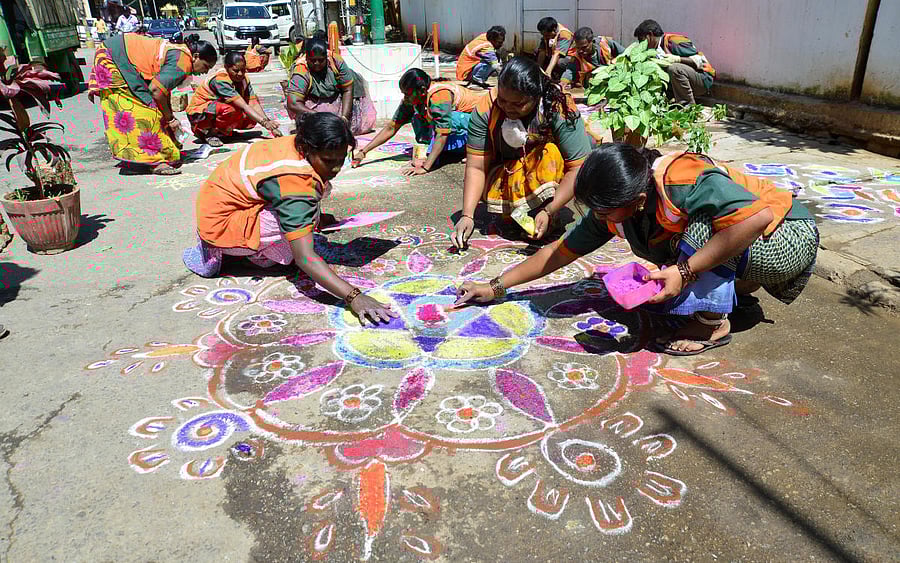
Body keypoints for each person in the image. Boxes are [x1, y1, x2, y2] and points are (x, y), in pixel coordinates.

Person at [455, 144, 819, 356]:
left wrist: (685, 272)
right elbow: (558, 252)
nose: (599, 217)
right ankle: (731, 297)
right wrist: (496, 286)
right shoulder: (616, 207)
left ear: (638, 197)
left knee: (698, 228)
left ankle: (712, 323)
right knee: (670, 249)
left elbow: (755, 220)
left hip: (786, 239)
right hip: (753, 245)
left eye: (603, 210)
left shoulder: (679, 177)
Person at [183, 112, 397, 325]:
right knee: (302, 230)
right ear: (306, 149)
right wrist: (355, 297)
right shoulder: (295, 182)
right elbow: (305, 258)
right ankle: (245, 255)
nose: (335, 169)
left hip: (218, 211)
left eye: (341, 160)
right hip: (221, 227)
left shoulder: (295, 143)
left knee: (312, 202)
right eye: (328, 160)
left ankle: (254, 249)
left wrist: (312, 216)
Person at [451, 56, 591, 247]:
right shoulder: (486, 109)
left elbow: (578, 168)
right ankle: (520, 210)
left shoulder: (559, 107)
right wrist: (467, 215)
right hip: (505, 172)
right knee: (515, 222)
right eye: (503, 100)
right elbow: (476, 167)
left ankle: (545, 211)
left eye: (518, 104)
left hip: (547, 170)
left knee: (549, 153)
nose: (508, 108)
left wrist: (549, 210)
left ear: (536, 97)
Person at [87, 32, 216, 174]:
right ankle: (155, 161)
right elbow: (156, 91)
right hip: (114, 58)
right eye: (205, 66)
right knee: (145, 114)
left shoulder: (181, 54)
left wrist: (168, 116)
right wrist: (170, 119)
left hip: (117, 53)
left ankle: (145, 157)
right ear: (196, 57)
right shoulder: (183, 62)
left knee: (153, 111)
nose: (204, 72)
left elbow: (162, 91)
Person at [353, 69, 485, 175]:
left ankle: (473, 150)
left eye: (407, 94)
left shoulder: (439, 96)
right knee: (418, 117)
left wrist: (426, 167)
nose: (405, 98)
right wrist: (363, 152)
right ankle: (444, 153)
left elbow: (443, 133)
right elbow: (391, 127)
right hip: (462, 130)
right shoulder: (414, 98)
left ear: (422, 91)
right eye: (403, 94)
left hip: (481, 128)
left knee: (452, 119)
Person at [186, 51, 282, 147]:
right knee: (230, 109)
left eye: (243, 70)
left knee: (252, 115)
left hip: (216, 110)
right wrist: (264, 123)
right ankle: (211, 134)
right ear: (226, 68)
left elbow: (253, 103)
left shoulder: (244, 79)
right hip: (199, 117)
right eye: (235, 70)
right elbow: (244, 105)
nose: (240, 74)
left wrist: (270, 124)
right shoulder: (220, 80)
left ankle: (224, 133)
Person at [285, 38, 376, 135]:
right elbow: (293, 103)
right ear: (307, 58)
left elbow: (347, 90)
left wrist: (344, 118)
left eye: (320, 60)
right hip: (313, 105)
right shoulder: (301, 70)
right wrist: (319, 116)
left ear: (326, 57)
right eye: (313, 60)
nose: (316, 64)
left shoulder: (336, 61)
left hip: (338, 96)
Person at [634, 19, 715, 105]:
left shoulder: (673, 41)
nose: (641, 44)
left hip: (702, 80)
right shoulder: (653, 50)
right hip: (683, 82)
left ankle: (687, 105)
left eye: (642, 40)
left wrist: (677, 59)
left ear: (650, 35)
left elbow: (701, 61)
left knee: (674, 68)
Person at [560, 27, 625, 89]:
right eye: (578, 48)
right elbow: (570, 70)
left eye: (584, 47)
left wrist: (615, 61)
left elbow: (625, 53)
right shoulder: (577, 57)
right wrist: (563, 82)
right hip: (594, 83)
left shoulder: (605, 43)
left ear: (592, 41)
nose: (580, 51)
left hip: (614, 75)